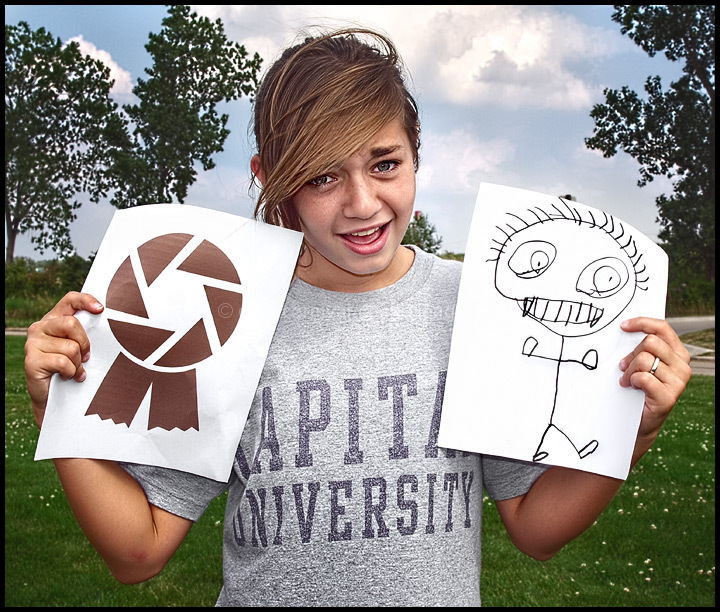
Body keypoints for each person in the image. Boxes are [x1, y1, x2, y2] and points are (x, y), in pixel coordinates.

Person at [24, 28, 692, 606]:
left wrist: (633, 431)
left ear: (416, 156)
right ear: (272, 177)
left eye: (384, 164)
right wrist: (60, 409)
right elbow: (136, 551)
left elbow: (536, 528)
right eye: (322, 177)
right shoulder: (226, 315)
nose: (362, 202)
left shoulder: (475, 305)